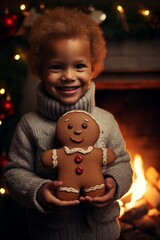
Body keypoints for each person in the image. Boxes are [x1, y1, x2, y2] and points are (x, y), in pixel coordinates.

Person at [3, 7, 133, 240]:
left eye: (79, 66)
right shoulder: (30, 124)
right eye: (56, 66)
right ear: (40, 70)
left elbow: (122, 163)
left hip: (101, 232)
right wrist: (40, 190)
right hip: (50, 233)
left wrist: (114, 183)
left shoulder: (106, 120)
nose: (68, 75)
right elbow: (15, 172)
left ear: (94, 68)